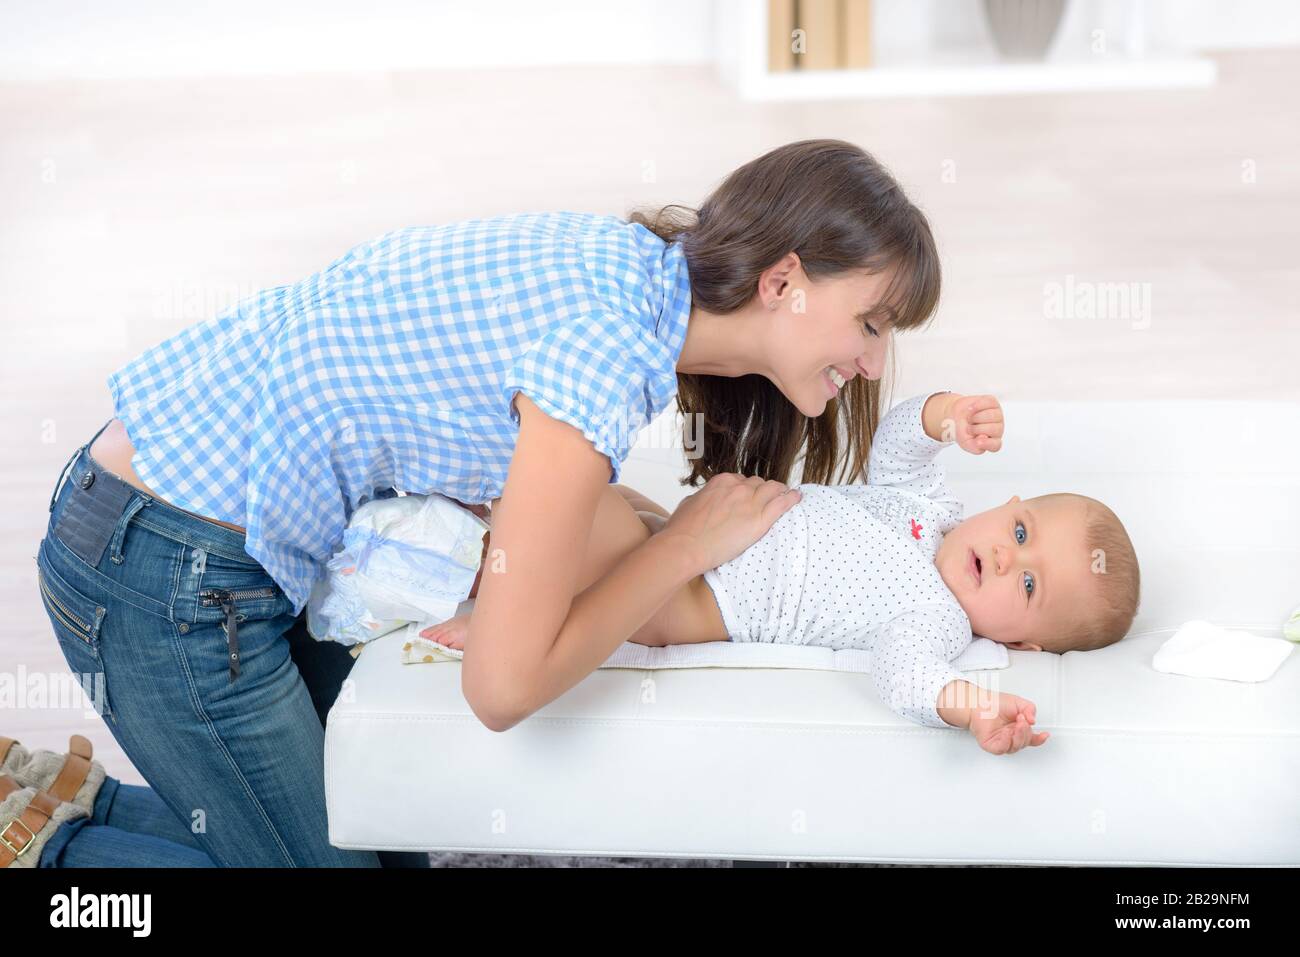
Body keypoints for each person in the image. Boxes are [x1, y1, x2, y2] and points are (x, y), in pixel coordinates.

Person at [34, 138, 941, 865]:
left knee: (373, 818)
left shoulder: (630, 272)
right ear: (782, 282)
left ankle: (72, 797)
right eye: (869, 323)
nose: (871, 361)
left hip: (212, 539)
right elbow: (502, 689)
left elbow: (520, 494)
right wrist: (687, 543)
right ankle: (43, 845)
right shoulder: (604, 353)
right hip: (160, 566)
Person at [429, 391, 1141, 758]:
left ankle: (497, 598)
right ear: (1009, 504)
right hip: (686, 529)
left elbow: (902, 675)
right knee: (617, 504)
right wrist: (943, 414)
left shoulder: (939, 621)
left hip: (690, 595)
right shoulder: (930, 505)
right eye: (1021, 533)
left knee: (574, 511)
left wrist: (968, 702)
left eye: (1027, 587)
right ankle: (485, 557)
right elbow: (896, 445)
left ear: (1024, 644)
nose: (1008, 557)